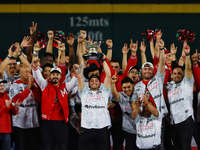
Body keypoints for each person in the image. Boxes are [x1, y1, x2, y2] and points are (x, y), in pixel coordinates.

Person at [32, 56, 78, 150]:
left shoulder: (65, 87)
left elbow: (75, 80)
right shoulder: (44, 84)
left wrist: (79, 69)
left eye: (57, 74)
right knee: (48, 146)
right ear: (50, 75)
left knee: (62, 146)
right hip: (47, 122)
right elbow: (37, 76)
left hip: (61, 123)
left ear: (61, 76)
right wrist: (34, 65)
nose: (55, 76)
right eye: (53, 74)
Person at [77, 57, 111, 150]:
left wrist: (103, 60)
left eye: (96, 80)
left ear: (100, 83)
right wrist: (82, 62)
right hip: (87, 128)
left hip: (102, 128)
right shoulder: (83, 92)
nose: (94, 82)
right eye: (92, 81)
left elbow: (108, 75)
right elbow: (79, 76)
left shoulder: (105, 91)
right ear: (88, 83)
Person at [167, 44, 194, 150]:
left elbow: (188, 69)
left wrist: (187, 55)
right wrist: (173, 56)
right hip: (174, 122)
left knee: (185, 147)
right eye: (174, 73)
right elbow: (174, 67)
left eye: (179, 73)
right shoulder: (171, 86)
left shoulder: (186, 83)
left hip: (186, 120)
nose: (176, 75)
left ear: (183, 75)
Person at [9, 65, 41, 150]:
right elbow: (16, 99)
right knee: (21, 146)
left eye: (29, 72)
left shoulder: (34, 85)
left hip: (33, 121)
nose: (28, 74)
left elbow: (39, 99)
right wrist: (28, 88)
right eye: (26, 71)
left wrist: (33, 87)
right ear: (20, 73)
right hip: (19, 123)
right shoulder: (14, 85)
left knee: (33, 146)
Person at [111, 77, 137, 150]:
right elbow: (115, 95)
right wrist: (113, 84)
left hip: (140, 128)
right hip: (128, 129)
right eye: (124, 87)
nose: (127, 89)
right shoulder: (122, 95)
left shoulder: (138, 93)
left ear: (133, 85)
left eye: (129, 87)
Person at [0, 79, 20, 150]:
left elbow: (13, 113)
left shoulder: (7, 96)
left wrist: (15, 107)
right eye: (0, 85)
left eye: (2, 85)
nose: (2, 87)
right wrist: (6, 106)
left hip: (7, 131)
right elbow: (5, 107)